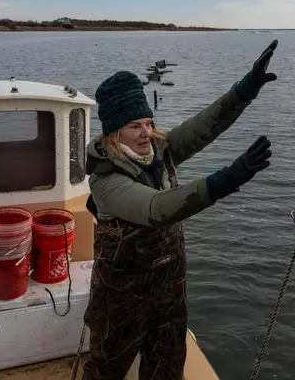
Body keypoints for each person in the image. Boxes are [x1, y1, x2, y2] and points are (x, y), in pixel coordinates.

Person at [82, 40, 280, 380]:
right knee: (106, 370)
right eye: (135, 126)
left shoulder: (160, 150)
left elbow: (206, 125)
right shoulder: (105, 181)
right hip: (121, 300)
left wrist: (245, 89)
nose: (147, 133)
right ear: (114, 132)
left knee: (168, 369)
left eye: (148, 121)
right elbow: (157, 208)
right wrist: (228, 178)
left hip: (170, 291)